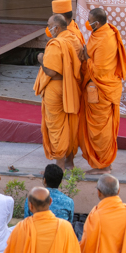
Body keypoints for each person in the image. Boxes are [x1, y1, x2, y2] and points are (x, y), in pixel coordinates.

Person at [74, 8, 125, 173]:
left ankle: (103, 165)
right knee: (102, 128)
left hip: (102, 88)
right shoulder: (102, 33)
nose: (87, 23)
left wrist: (86, 57)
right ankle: (104, 162)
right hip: (101, 87)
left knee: (100, 130)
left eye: (90, 21)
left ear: (96, 23)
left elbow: (100, 71)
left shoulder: (105, 38)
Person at [36, 13, 84, 169]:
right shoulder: (75, 39)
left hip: (56, 88)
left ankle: (60, 165)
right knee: (69, 124)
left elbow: (51, 71)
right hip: (71, 88)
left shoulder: (56, 44)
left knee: (56, 126)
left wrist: (41, 60)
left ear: (56, 28)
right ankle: (70, 162)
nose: (48, 29)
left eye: (49, 26)